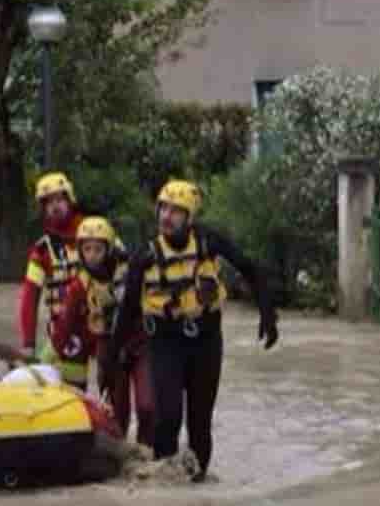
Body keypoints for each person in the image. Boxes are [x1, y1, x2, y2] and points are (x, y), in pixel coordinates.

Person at [107, 180, 279, 483]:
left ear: (189, 218)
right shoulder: (144, 257)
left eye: (176, 211)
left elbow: (249, 268)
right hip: (164, 342)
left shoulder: (209, 242)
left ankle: (198, 490)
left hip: (206, 341)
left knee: (200, 422)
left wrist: (267, 312)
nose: (166, 216)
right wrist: (112, 362)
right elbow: (126, 313)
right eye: (163, 208)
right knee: (168, 418)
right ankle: (163, 484)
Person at [52, 217, 154, 445]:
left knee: (147, 407)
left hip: (139, 343)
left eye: (98, 249)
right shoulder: (79, 284)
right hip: (108, 350)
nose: (92, 255)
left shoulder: (131, 269)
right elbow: (64, 325)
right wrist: (46, 360)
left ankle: (147, 453)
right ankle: (122, 457)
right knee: (118, 414)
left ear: (108, 249)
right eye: (86, 249)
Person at [17, 172, 88, 386]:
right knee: (73, 387)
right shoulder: (42, 250)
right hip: (67, 328)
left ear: (69, 200)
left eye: (59, 199)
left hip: (100, 323)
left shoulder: (94, 232)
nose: (55, 206)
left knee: (112, 384)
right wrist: (28, 343)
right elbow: (29, 297)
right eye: (48, 203)